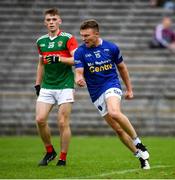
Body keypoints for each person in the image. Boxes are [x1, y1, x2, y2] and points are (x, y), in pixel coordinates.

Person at [74, 19, 150, 169]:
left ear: (96, 34)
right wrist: (79, 79)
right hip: (95, 93)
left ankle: (138, 142)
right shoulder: (80, 51)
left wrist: (129, 89)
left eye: (87, 35)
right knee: (118, 129)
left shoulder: (111, 47)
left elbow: (122, 68)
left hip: (111, 84)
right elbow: (78, 72)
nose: (84, 39)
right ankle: (139, 156)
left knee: (115, 112)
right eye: (82, 36)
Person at [34, 8, 78, 166]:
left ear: (60, 21)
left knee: (62, 122)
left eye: (54, 19)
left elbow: (77, 60)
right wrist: (37, 83)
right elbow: (41, 64)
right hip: (47, 85)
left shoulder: (68, 38)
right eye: (48, 20)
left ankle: (63, 158)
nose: (51, 22)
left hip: (65, 84)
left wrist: (59, 58)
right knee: (40, 120)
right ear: (45, 23)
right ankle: (50, 151)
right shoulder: (41, 41)